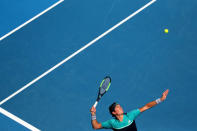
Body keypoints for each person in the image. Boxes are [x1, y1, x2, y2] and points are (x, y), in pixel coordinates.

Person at [90, 89, 169, 131]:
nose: (120, 107)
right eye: (117, 107)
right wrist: (93, 114)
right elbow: (96, 126)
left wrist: (160, 99)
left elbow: (146, 106)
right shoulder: (112, 123)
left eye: (120, 106)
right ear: (114, 112)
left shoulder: (130, 115)